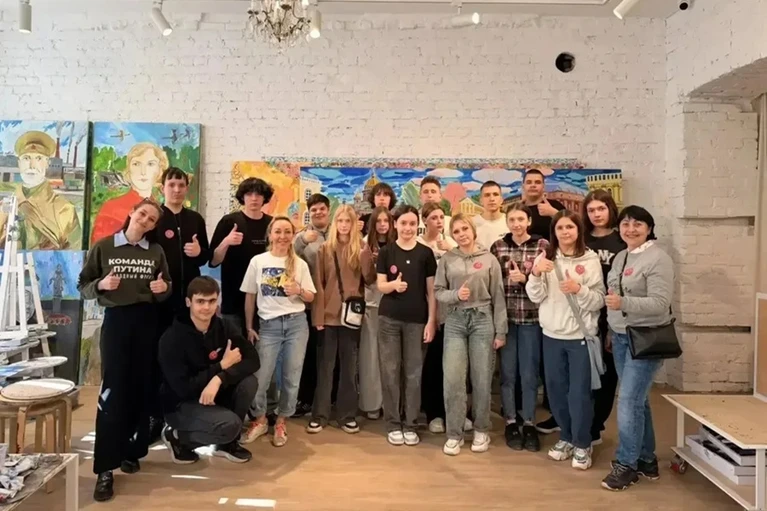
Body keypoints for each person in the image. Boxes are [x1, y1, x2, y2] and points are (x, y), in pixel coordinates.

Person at [77, 198, 171, 502]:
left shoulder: (155, 251)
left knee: (140, 388)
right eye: (142, 214)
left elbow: (166, 285)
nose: (145, 220)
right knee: (112, 392)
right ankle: (105, 468)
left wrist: (163, 290)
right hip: (117, 322)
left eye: (151, 219)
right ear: (132, 213)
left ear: (154, 226)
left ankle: (132, 450)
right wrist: (101, 285)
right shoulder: (105, 246)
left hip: (147, 322)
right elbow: (83, 285)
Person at [601, 206, 673, 491]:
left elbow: (660, 303)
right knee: (638, 401)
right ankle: (646, 459)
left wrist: (624, 304)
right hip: (621, 337)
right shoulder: (621, 256)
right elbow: (613, 294)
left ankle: (626, 464)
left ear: (649, 228)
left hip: (646, 338)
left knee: (628, 400)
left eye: (637, 224)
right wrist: (611, 329)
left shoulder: (658, 258)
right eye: (625, 224)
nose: (630, 229)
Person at [526, 210, 605, 471]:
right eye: (560, 228)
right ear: (554, 232)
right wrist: (535, 273)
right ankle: (567, 437)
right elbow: (535, 296)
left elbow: (598, 300)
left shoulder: (590, 259)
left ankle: (583, 443)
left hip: (579, 337)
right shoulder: (545, 257)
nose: (565, 232)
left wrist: (578, 289)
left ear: (578, 230)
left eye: (570, 227)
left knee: (579, 394)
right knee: (556, 392)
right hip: (551, 336)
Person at [158, 277, 259, 465]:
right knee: (230, 425)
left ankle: (226, 444)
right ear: (188, 302)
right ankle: (177, 437)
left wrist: (219, 378)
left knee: (249, 382)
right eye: (200, 301)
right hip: (182, 404)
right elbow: (183, 389)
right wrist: (221, 366)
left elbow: (253, 360)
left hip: (213, 395)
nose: (206, 307)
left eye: (212, 301)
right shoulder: (171, 339)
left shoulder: (224, 327)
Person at [240, 217, 316, 447]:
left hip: (296, 325)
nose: (282, 236)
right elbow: (250, 295)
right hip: (268, 326)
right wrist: (249, 326)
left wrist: (299, 290)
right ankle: (260, 419)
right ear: (270, 234)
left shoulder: (300, 264)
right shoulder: (258, 261)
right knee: (260, 377)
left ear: (293, 236)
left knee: (291, 377)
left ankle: (282, 420)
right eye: (278, 231)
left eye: (287, 232)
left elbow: (311, 296)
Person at [435, 214, 507, 456]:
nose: (461, 234)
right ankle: (454, 433)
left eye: (464, 228)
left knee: (482, 377)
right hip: (455, 320)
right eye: (456, 231)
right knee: (453, 379)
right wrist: (455, 295)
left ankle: (481, 429)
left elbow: (498, 296)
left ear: (473, 230)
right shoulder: (448, 259)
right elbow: (438, 291)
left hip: (482, 319)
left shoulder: (489, 259)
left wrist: (501, 330)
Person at [150, 167, 210, 442]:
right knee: (158, 359)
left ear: (187, 188)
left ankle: (184, 415)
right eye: (171, 184)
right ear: (162, 187)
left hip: (190, 304)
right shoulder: (155, 218)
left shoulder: (195, 219)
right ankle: (155, 415)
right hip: (160, 302)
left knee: (187, 359)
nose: (176, 190)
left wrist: (198, 252)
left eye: (181, 185)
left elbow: (206, 256)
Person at [307, 205, 376, 434]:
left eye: (348, 221)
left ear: (354, 224)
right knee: (325, 368)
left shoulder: (360, 248)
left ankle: (347, 415)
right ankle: (320, 414)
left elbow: (369, 280)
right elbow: (318, 284)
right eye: (341, 221)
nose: (344, 225)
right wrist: (318, 316)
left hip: (351, 317)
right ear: (335, 223)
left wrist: (366, 258)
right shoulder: (325, 249)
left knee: (349, 368)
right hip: (328, 316)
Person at [376, 205, 437, 446]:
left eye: (412, 223)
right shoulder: (386, 252)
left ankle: (411, 423)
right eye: (403, 223)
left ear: (417, 225)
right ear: (395, 225)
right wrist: (393, 286)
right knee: (390, 372)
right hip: (389, 319)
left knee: (413, 373)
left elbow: (432, 291)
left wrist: (431, 321)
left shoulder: (425, 253)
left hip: (417, 321)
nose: (408, 228)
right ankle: (393, 423)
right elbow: (380, 285)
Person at [490, 202, 548, 452]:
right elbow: (493, 284)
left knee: (529, 374)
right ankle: (511, 421)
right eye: (512, 220)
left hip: (532, 319)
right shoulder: (498, 246)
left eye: (521, 219)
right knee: (508, 374)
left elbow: (548, 283)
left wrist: (525, 279)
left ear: (529, 221)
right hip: (506, 320)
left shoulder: (541, 245)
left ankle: (529, 422)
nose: (516, 224)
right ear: (507, 222)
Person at [521, 168, 565, 434]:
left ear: (543, 185)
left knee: (551, 348)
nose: (533, 186)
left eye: (538, 182)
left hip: (554, 283)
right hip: (524, 284)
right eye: (529, 182)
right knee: (531, 352)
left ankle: (552, 402)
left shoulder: (554, 207)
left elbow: (571, 228)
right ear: (523, 185)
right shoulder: (519, 210)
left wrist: (553, 214)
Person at [583, 190, 625, 446]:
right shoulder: (582, 238)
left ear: (610, 209)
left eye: (601, 208)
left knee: (606, 374)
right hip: (583, 314)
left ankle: (596, 425)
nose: (596, 214)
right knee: (580, 373)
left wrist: (612, 325)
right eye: (591, 210)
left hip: (610, 316)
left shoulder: (621, 241)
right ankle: (572, 418)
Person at [209, 177, 274, 334]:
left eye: (258, 194)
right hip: (233, 300)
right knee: (234, 346)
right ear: (242, 197)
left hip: (264, 302)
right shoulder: (229, 222)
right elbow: (213, 261)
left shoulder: (272, 224)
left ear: (264, 198)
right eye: (249, 194)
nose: (254, 198)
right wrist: (226, 242)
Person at [416, 202, 459, 434]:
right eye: (433, 217)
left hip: (451, 310)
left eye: (441, 217)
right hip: (426, 309)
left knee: (453, 363)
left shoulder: (451, 243)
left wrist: (451, 250)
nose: (439, 221)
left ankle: (456, 411)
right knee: (431, 363)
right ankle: (433, 412)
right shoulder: (419, 244)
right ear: (424, 220)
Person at [0, 130, 81, 250]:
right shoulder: (4, 207)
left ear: (47, 163)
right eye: (26, 158)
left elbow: (75, 256)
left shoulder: (65, 210)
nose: (32, 166)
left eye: (38, 158)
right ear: (19, 163)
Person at [293, 193, 331, 417]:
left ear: (328, 210)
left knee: (332, 355)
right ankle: (306, 399)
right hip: (310, 305)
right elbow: (288, 257)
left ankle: (331, 399)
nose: (318, 212)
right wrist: (302, 241)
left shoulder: (339, 232)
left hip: (334, 305)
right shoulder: (302, 236)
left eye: (322, 208)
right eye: (314, 209)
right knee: (309, 355)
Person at [91, 142, 169, 244]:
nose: (143, 172)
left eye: (150, 164)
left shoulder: (161, 211)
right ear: (129, 169)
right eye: (136, 164)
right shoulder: (111, 208)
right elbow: (101, 249)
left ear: (160, 170)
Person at [359, 206, 396, 420]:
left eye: (386, 221)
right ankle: (372, 403)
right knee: (370, 356)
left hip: (394, 305)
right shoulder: (364, 245)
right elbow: (364, 278)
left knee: (392, 357)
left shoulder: (397, 244)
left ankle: (391, 403)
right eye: (378, 221)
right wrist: (371, 262)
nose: (382, 225)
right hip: (371, 305)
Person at [473, 180, 508, 249]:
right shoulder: (472, 224)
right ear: (481, 201)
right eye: (487, 195)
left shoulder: (510, 221)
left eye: (495, 194)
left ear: (501, 200)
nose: (492, 199)